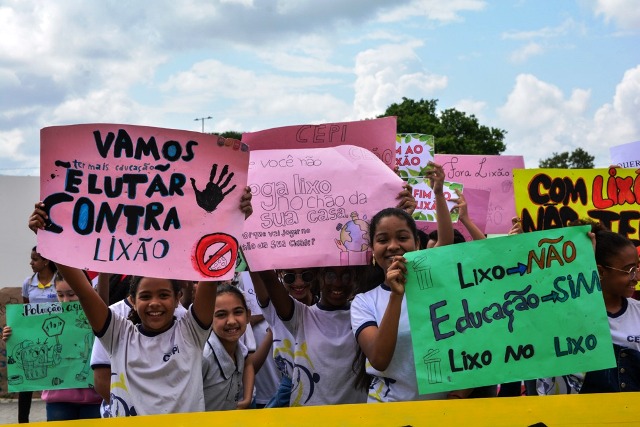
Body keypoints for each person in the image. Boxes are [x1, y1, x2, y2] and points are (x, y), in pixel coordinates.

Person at [27, 187, 252, 416]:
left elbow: (210, 272)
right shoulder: (118, 334)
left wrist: (229, 217)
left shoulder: (191, 332)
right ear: (132, 301)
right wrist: (48, 235)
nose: (154, 303)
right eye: (145, 296)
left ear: (177, 299)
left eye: (164, 295)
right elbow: (84, 291)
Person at [251, 266, 367, 406]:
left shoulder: (365, 314)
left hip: (355, 414)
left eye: (346, 276)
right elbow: (268, 278)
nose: (337, 283)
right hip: (308, 416)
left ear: (354, 279)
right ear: (318, 276)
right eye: (330, 275)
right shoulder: (302, 316)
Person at [3, 271, 102, 421]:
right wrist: (12, 336)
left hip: (95, 400)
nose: (66, 301)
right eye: (60, 295)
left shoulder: (100, 318)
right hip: (58, 400)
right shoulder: (47, 318)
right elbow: (30, 341)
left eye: (72, 294)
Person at [579, 225, 640, 393]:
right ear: (600, 271)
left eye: (637, 268)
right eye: (629, 270)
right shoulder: (571, 315)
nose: (637, 277)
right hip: (581, 415)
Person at [17, 247, 58, 423]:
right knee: (27, 380)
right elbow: (25, 310)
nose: (31, 263)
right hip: (34, 337)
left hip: (56, 334)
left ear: (46, 261)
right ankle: (22, 421)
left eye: (35, 259)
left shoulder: (60, 281)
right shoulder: (28, 283)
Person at [202, 284, 254, 410]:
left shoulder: (240, 349)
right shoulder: (204, 357)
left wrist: (247, 399)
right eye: (221, 314)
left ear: (248, 316)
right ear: (208, 318)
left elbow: (248, 363)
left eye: (237, 312)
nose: (231, 321)